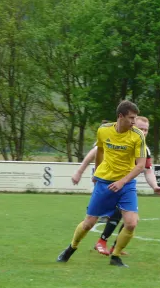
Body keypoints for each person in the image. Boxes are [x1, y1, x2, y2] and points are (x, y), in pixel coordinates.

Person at [57, 100, 147, 268]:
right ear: (120, 116)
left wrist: (122, 182)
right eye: (131, 118)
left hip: (126, 184)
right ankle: (71, 247)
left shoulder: (137, 135)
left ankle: (115, 256)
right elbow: (100, 151)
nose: (134, 122)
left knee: (131, 223)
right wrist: (97, 172)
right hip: (104, 182)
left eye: (135, 118)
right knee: (89, 223)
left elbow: (140, 166)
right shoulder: (104, 131)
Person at [71, 116, 160, 256]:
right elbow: (95, 153)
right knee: (93, 220)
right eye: (141, 129)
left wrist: (155, 186)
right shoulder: (117, 138)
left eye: (146, 130)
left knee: (131, 220)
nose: (144, 132)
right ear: (132, 125)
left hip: (124, 186)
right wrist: (79, 172)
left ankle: (113, 247)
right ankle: (100, 243)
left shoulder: (143, 148)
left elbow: (148, 170)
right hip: (106, 182)